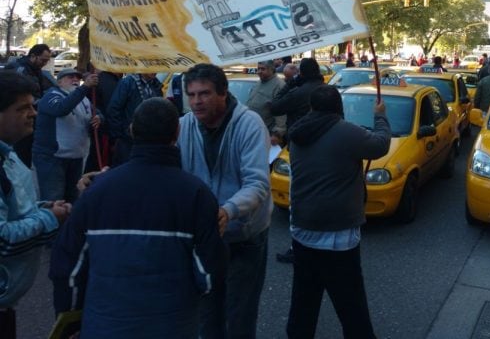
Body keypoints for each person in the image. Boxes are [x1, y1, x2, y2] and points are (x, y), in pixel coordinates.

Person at [49, 97, 226, 339]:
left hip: (105, 324)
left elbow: (68, 267)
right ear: (177, 132)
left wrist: (69, 319)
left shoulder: (95, 193)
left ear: (132, 131)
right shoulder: (197, 194)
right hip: (173, 326)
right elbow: (207, 276)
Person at [285, 85, 390, 339]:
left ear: (311, 107)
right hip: (338, 237)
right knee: (351, 304)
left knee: (303, 300)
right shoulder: (345, 132)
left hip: (302, 230)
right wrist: (380, 115)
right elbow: (380, 146)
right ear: (338, 108)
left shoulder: (297, 133)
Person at [178, 63, 272, 339]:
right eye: (191, 94)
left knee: (239, 317)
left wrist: (228, 211)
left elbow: (257, 184)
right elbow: (158, 165)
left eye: (204, 93)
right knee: (206, 315)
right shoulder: (184, 125)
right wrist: (106, 177)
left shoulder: (250, 124)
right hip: (204, 238)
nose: (196, 101)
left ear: (223, 92)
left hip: (244, 237)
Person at [0, 71, 70, 338]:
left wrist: (44, 208)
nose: (34, 113)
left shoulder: (10, 155)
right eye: (23, 108)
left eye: (33, 105)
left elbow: (15, 205)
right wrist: (49, 218)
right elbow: (4, 238)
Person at [271, 57, 326, 264]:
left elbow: (275, 106)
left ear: (301, 73)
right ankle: (318, 243)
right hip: (323, 149)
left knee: (298, 198)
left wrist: (291, 84)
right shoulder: (325, 88)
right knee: (318, 195)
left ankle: (298, 246)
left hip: (301, 149)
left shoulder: (300, 91)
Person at [32, 68, 101, 203]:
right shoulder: (51, 96)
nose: (75, 80)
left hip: (75, 157)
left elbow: (96, 112)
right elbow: (61, 109)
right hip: (53, 158)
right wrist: (85, 87)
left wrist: (99, 118)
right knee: (54, 200)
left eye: (77, 77)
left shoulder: (82, 99)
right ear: (59, 82)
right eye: (70, 77)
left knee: (72, 198)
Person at [4, 43, 55, 167]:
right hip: (19, 119)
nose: (44, 63)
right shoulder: (20, 71)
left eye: (47, 61)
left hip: (30, 118)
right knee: (21, 151)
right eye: (43, 60)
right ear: (33, 56)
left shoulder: (38, 71)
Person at [106, 71, 162, 165]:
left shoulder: (156, 85)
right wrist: (119, 136)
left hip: (149, 141)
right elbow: (113, 110)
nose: (155, 70)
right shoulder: (127, 82)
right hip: (128, 140)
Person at [246, 60, 287, 146]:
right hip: (253, 132)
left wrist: (277, 134)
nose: (259, 71)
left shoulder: (279, 85)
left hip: (268, 136)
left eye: (263, 69)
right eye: (258, 69)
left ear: (271, 69)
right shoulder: (258, 83)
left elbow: (281, 113)